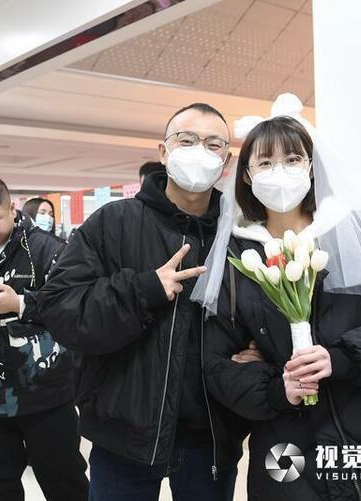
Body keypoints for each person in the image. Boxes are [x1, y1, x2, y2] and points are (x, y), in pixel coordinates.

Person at [38, 103, 263, 501]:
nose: (199, 151)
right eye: (187, 140)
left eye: (213, 144)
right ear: (163, 151)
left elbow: (258, 314)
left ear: (226, 162)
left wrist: (262, 349)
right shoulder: (114, 222)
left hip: (212, 434)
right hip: (124, 434)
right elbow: (60, 308)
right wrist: (142, 291)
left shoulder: (240, 235)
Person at [203, 115, 361, 500]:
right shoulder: (235, 257)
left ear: (311, 166)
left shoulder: (359, 233)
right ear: (246, 175)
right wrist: (278, 388)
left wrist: (341, 357)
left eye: (293, 159)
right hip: (290, 450)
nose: (279, 172)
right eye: (264, 162)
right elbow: (215, 361)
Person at [0, 176, 88, 501]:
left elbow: (72, 307)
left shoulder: (46, 249)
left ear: (12, 208)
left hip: (46, 392)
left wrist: (21, 305)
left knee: (64, 481)